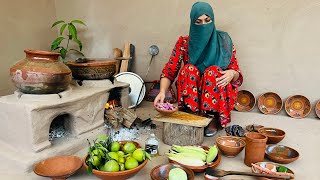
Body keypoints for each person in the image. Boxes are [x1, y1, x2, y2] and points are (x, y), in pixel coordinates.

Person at [154, 2, 243, 136]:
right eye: (198, 21)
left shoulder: (223, 40)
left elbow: (235, 70)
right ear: (192, 23)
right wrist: (162, 92)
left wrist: (231, 73)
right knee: (188, 69)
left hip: (215, 91)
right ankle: (192, 113)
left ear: (212, 20)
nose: (203, 25)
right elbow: (170, 70)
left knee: (213, 71)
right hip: (192, 94)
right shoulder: (184, 43)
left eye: (207, 21)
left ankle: (212, 117)